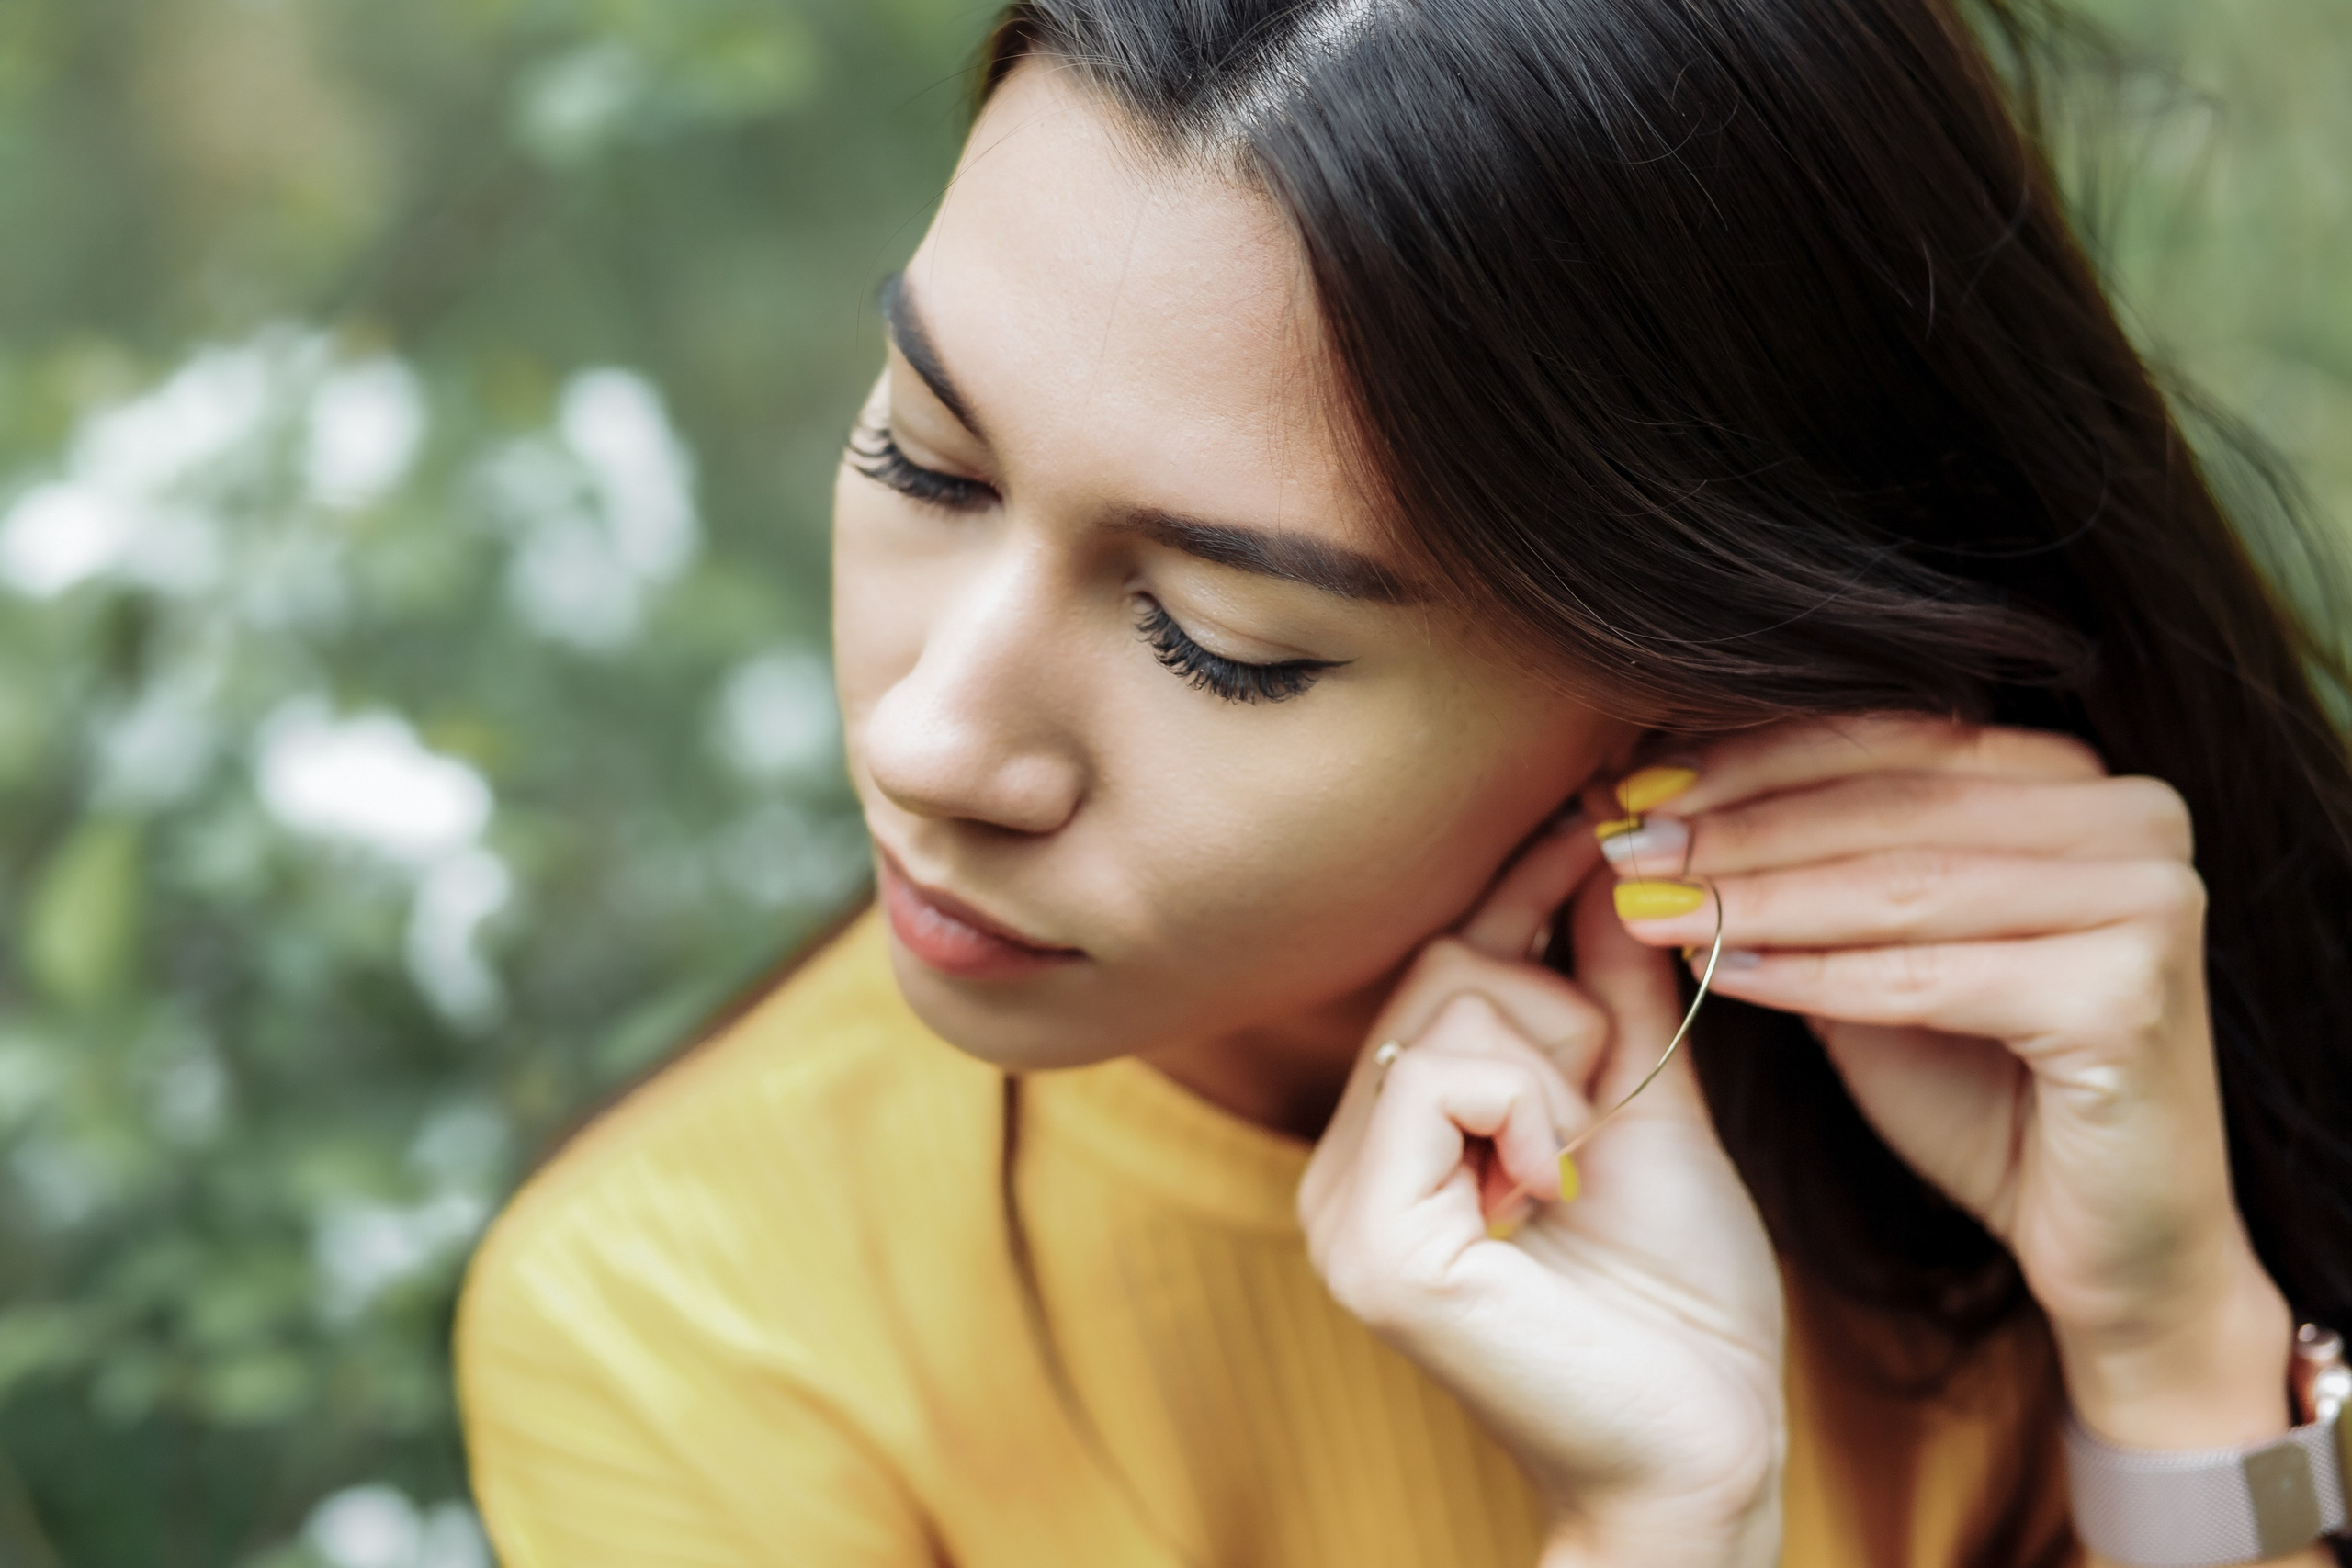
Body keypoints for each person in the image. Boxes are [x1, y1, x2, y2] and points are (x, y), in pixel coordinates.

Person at [455, 1, 2352, 1563]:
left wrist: (2169, 1344)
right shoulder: (690, 1335)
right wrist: (1653, 1534)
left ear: (1687, 675)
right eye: (925, 459)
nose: (924, 742)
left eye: (1216, 639)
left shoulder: (2005, 1083)